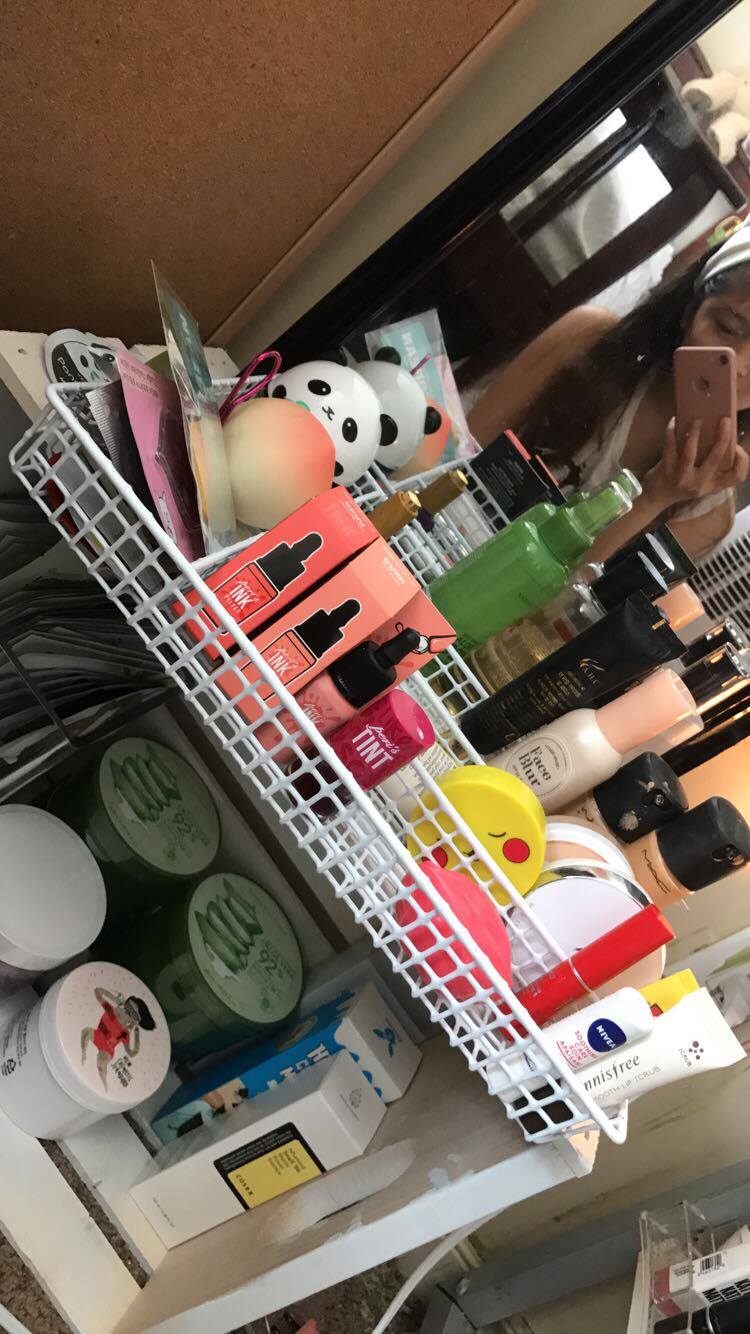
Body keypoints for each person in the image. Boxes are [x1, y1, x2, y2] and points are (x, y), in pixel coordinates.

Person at [468, 223, 750, 559]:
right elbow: (458, 457)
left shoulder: (708, 516)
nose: (739, 364)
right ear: (689, 312)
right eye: (727, 328)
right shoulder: (587, 343)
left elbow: (563, 591)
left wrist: (657, 498)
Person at [81, 986, 156, 1091]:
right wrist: (114, 999)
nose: (125, 1011)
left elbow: (131, 1053)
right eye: (127, 1006)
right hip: (97, 1035)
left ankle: (104, 1086)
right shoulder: (111, 1012)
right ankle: (83, 1054)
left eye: (131, 1013)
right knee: (86, 1031)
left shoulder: (124, 1033)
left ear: (133, 1021)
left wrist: (136, 1036)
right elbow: (97, 991)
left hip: (107, 1048)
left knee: (101, 1061)